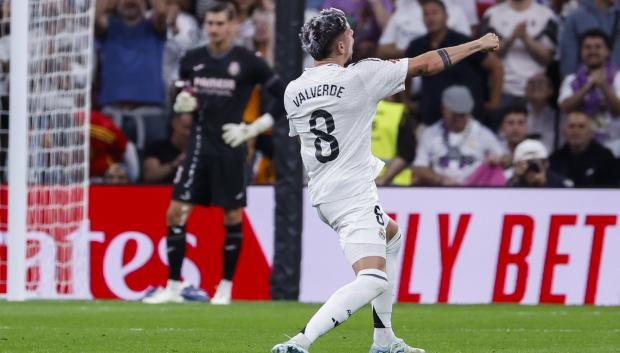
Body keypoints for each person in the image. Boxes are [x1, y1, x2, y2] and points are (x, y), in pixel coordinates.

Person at [272, 8, 499, 353]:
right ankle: (299, 342)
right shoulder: (362, 76)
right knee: (373, 278)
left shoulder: (294, 90)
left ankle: (385, 339)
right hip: (352, 195)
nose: (354, 37)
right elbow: (425, 65)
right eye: (349, 33)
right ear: (339, 47)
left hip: (323, 193)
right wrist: (478, 44)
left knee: (392, 237)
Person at [143, 1, 285, 305]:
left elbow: (284, 97)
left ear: (233, 25)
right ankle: (172, 285)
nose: (214, 29)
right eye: (210, 23)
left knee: (232, 216)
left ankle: (225, 287)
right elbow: (181, 91)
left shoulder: (249, 61)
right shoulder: (192, 59)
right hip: (197, 146)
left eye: (220, 23)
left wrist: (253, 128)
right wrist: (181, 101)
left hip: (232, 148)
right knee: (175, 213)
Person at [404, 0, 503, 126]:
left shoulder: (462, 42)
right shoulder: (416, 46)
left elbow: (496, 66)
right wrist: (406, 101)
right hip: (431, 117)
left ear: (446, 17)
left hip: (467, 117)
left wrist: (494, 101)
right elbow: (404, 72)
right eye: (426, 14)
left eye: (434, 13)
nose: (430, 18)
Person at [412, 85, 504, 186]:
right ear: (444, 109)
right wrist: (440, 179)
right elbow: (418, 167)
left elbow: (505, 157)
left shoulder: (482, 133)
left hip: (474, 191)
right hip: (439, 190)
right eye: (455, 114)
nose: (459, 118)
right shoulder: (430, 133)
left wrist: (496, 159)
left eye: (463, 114)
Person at [558, 29, 620, 147]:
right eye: (588, 47)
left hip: (613, 144)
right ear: (581, 51)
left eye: (598, 47)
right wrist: (588, 86)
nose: (592, 51)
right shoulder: (571, 80)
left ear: (607, 51)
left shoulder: (618, 78)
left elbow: (618, 110)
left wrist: (604, 86)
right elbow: (565, 107)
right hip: (580, 146)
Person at [549, 111, 619, 187]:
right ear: (564, 132)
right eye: (571, 126)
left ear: (590, 133)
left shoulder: (605, 158)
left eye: (581, 126)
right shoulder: (555, 159)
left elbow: (611, 188)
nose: (575, 131)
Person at [142, 112, 192, 183]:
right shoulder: (156, 147)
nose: (188, 133)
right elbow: (150, 176)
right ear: (174, 124)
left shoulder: (200, 150)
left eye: (192, 129)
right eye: (185, 128)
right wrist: (174, 165)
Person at [506, 139, 573, 187]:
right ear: (517, 165)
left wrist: (543, 184)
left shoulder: (560, 184)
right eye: (527, 162)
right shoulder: (512, 184)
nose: (531, 166)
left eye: (535, 161)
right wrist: (518, 180)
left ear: (545, 164)